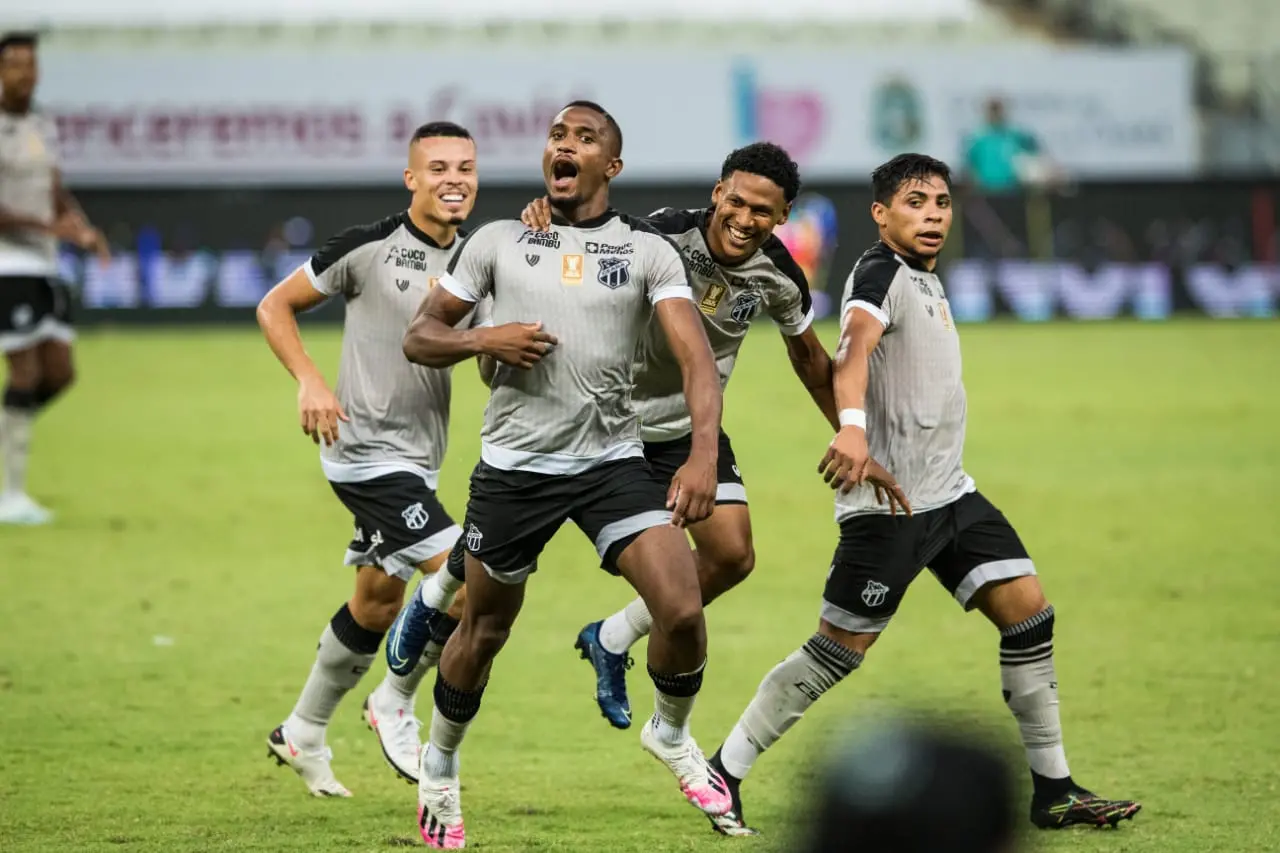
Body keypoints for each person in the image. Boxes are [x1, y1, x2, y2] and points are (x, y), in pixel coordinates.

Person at [706, 153, 1141, 835]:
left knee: (1028, 615)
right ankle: (722, 771)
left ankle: (1055, 789)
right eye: (915, 202)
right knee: (835, 653)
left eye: (940, 202)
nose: (932, 214)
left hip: (950, 496)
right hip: (890, 509)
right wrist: (852, 430)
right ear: (882, 214)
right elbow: (851, 351)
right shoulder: (879, 273)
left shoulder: (925, 278)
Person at [400, 101, 732, 848]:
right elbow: (421, 336)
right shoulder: (498, 240)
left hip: (612, 461)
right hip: (515, 471)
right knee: (485, 630)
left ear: (610, 166)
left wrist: (704, 454)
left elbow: (695, 358)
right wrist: (490, 336)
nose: (566, 144)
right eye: (558, 135)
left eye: (585, 138)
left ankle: (672, 733)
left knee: (680, 606)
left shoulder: (645, 251)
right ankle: (441, 766)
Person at [494, 142, 907, 734]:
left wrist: (850, 432)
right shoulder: (659, 235)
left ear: (783, 216)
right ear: (718, 193)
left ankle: (610, 638)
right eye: (736, 202)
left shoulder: (779, 273)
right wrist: (545, 217)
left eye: (762, 212)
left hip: (687, 429)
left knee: (733, 555)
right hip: (601, 424)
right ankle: (438, 609)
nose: (744, 220)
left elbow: (811, 359)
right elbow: (581, 240)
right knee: (506, 557)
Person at [256, 121, 482, 796]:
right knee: (467, 581)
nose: (453, 179)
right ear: (411, 178)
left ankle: (301, 729)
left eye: (465, 168)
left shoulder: (477, 257)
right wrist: (310, 379)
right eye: (437, 167)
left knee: (378, 603)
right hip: (365, 454)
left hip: (419, 459)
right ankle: (394, 700)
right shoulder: (369, 247)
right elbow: (275, 306)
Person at [0, 31, 109, 525]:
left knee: (59, 373)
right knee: (23, 375)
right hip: (6, 262)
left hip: (42, 262)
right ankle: (10, 496)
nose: (27, 73)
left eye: (31, 64)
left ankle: (8, 442)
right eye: (16, 64)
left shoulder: (40, 122)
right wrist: (52, 227)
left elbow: (55, 188)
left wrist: (81, 229)